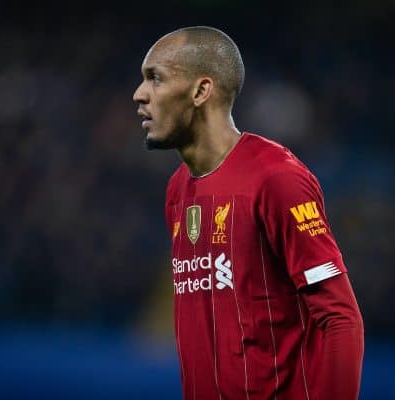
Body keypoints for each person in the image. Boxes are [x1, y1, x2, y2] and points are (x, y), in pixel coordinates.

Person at [133, 26, 364, 400]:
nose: (139, 94)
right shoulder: (177, 190)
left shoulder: (276, 177)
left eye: (155, 79)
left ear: (200, 91)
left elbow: (340, 318)